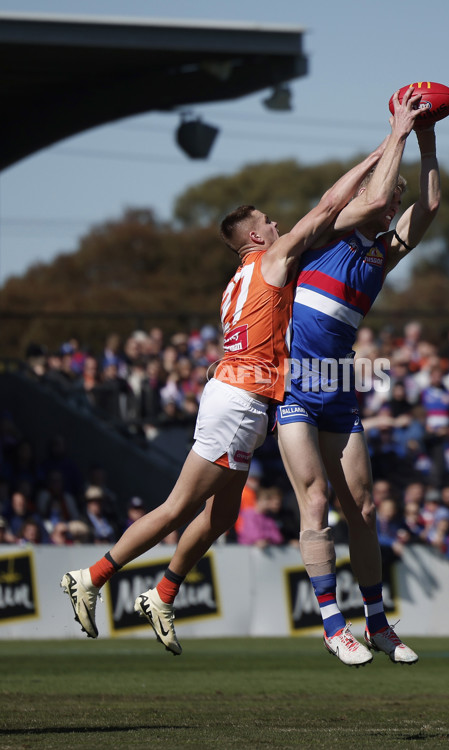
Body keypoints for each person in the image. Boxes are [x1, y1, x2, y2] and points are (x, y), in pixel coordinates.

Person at [60, 103, 404, 655]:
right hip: (241, 399)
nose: (277, 225)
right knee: (177, 508)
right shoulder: (270, 261)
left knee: (220, 516)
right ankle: (92, 577)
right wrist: (381, 150)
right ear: (254, 236)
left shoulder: (238, 279)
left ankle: (163, 594)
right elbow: (329, 206)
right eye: (268, 221)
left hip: (241, 397)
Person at [276, 88, 440, 666]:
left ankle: (377, 624)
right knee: (315, 501)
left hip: (339, 385)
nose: (391, 198)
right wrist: (396, 130)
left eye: (395, 194)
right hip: (294, 384)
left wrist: (426, 139)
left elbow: (431, 207)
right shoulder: (331, 232)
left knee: (363, 510)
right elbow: (370, 200)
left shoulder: (382, 252)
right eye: (388, 191)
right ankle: (331, 624)